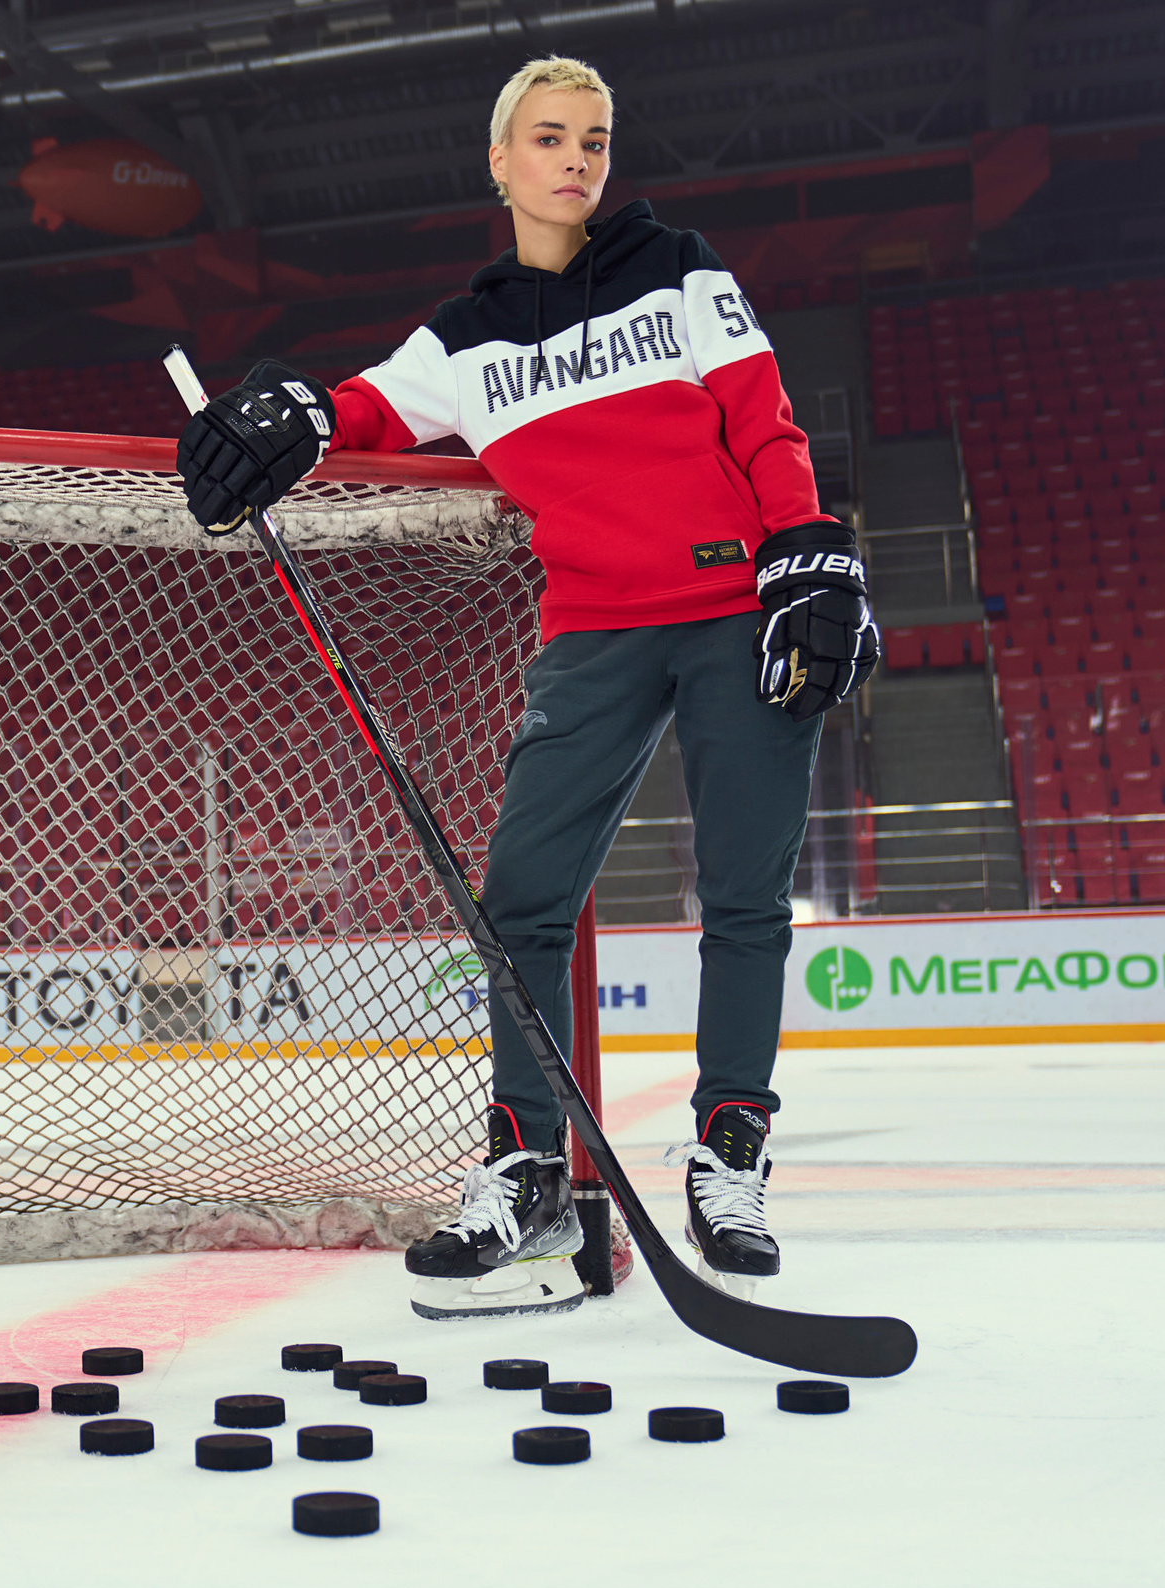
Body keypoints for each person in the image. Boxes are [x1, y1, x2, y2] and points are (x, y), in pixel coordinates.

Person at [174, 55, 878, 1319]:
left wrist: (806, 548)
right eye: (548, 139)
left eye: (595, 141)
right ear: (498, 162)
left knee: (745, 897)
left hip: (730, 611)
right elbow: (360, 411)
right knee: (518, 906)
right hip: (595, 630)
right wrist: (286, 411)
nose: (575, 161)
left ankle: (728, 1155)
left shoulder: (680, 268)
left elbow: (761, 421)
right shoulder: (463, 337)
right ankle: (525, 1167)